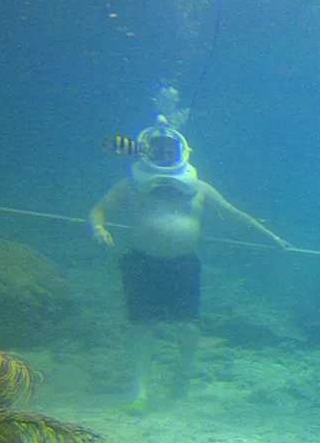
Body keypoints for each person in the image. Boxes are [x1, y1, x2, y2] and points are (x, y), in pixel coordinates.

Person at [89, 117, 290, 410]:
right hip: (141, 263)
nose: (163, 153)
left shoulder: (199, 188)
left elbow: (235, 215)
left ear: (181, 151)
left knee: (188, 329)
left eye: (169, 148)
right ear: (144, 150)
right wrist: (98, 228)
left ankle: (180, 378)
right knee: (141, 327)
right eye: (156, 147)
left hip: (183, 265)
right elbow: (99, 210)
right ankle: (139, 391)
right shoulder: (130, 185)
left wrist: (271, 238)